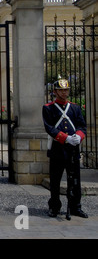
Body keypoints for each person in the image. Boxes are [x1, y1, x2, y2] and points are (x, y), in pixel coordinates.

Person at [42, 78, 88, 219]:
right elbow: (49, 127)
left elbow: (81, 126)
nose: (64, 92)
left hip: (72, 149)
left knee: (75, 180)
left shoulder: (74, 108)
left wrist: (79, 136)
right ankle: (54, 207)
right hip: (58, 149)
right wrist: (64, 137)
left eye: (66, 90)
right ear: (55, 92)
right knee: (55, 180)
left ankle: (75, 207)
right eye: (61, 90)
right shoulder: (48, 108)